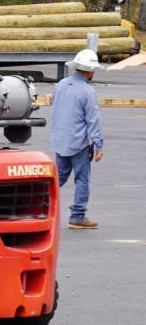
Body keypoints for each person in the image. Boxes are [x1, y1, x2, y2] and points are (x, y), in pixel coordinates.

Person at [50, 49, 105, 229]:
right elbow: (93, 119)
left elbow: (56, 108)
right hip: (78, 143)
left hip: (60, 140)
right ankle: (78, 216)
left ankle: (37, 205)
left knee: (58, 178)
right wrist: (98, 144)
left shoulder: (61, 84)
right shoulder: (88, 91)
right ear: (90, 70)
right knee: (82, 179)